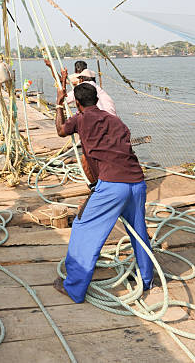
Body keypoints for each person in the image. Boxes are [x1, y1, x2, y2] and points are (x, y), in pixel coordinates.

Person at [52, 80, 153, 303]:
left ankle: (74, 287)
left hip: (112, 185)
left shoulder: (80, 119)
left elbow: (61, 130)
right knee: (138, 231)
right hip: (137, 182)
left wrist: (59, 104)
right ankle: (146, 280)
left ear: (77, 103)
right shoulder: (116, 121)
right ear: (97, 100)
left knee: (83, 228)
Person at [44, 60, 117, 116]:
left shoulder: (82, 86)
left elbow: (62, 99)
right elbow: (61, 79)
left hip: (101, 118)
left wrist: (51, 66)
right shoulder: (94, 83)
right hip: (112, 118)